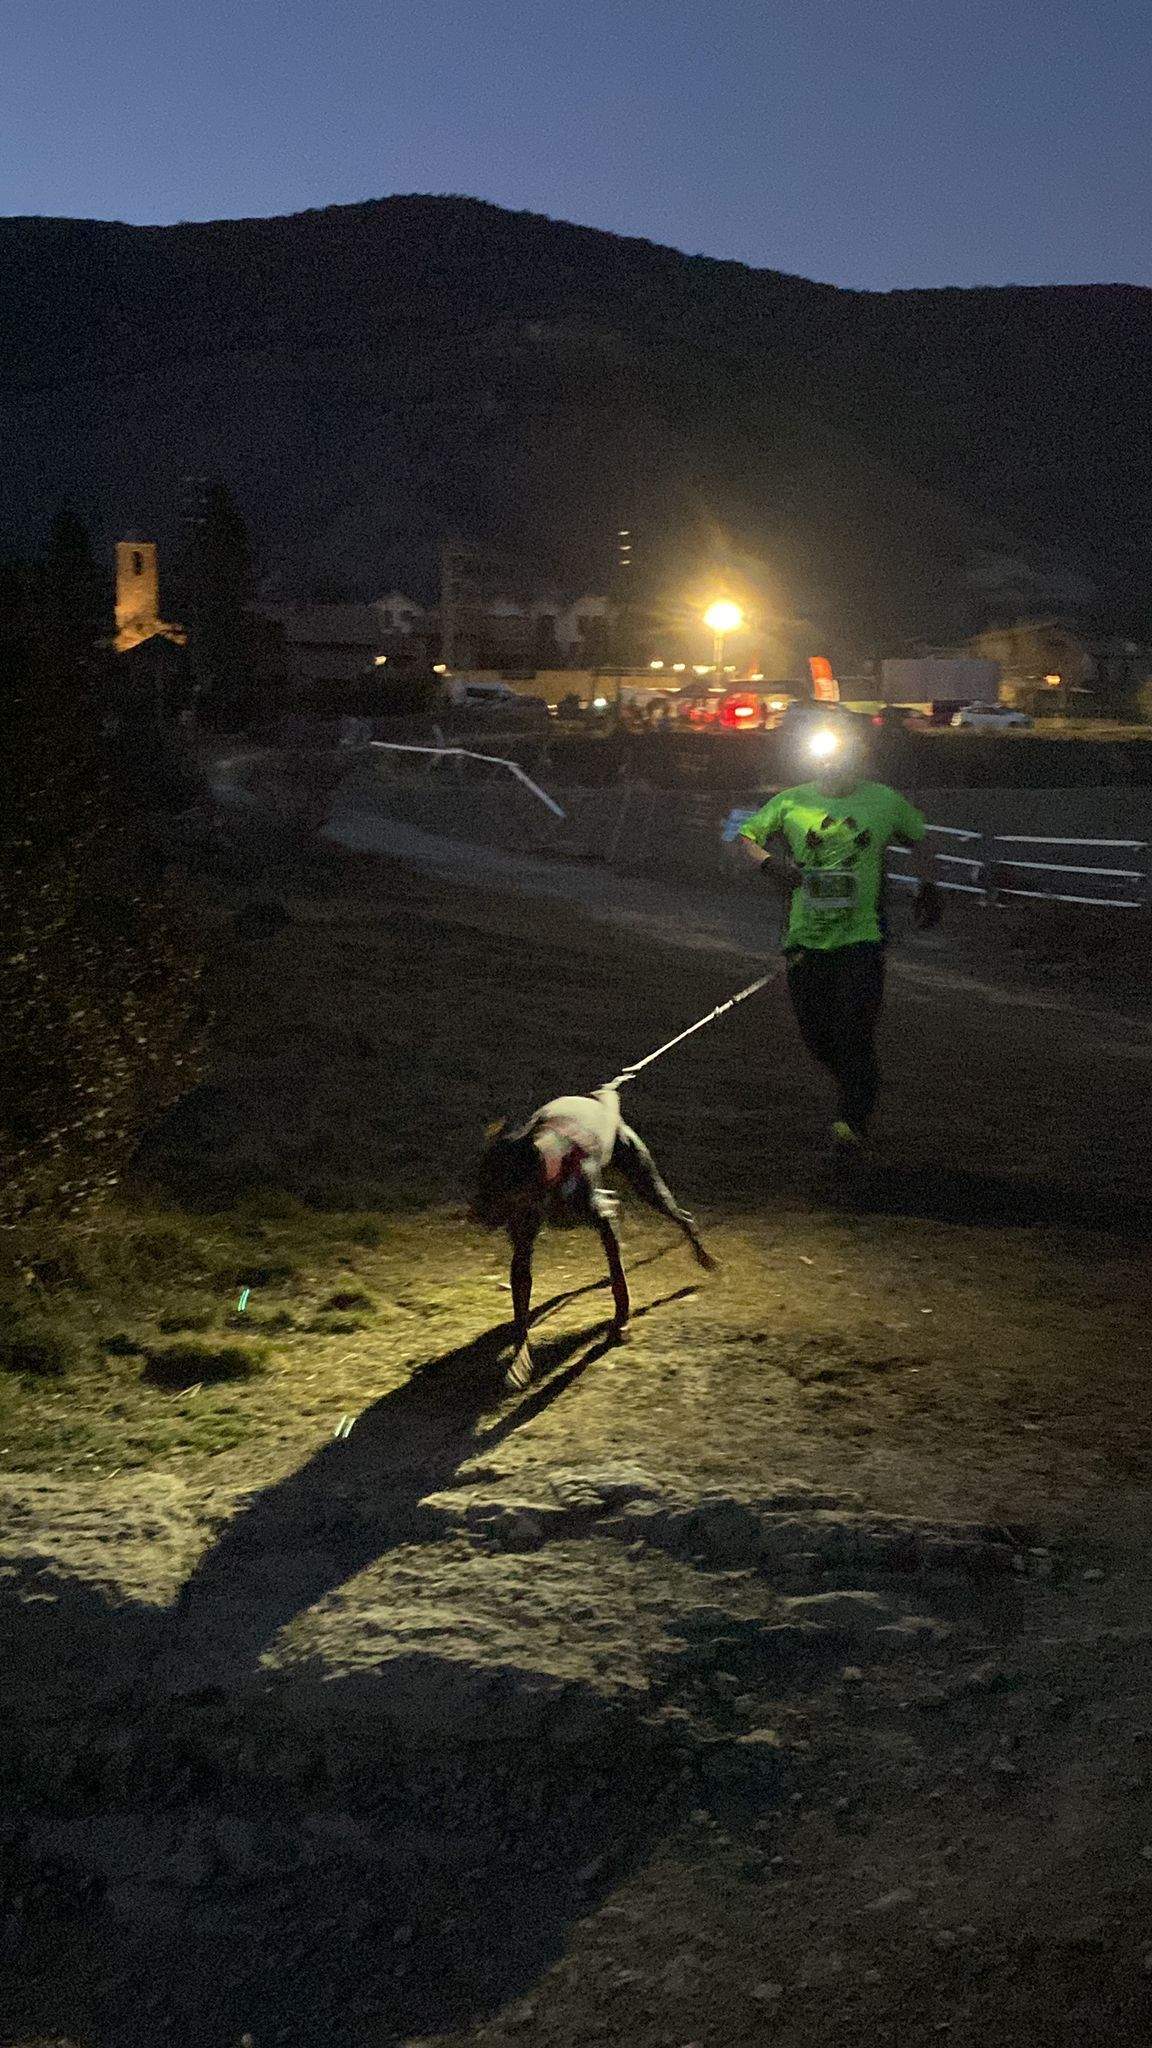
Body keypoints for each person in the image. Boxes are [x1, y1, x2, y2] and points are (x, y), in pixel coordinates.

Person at [738, 721, 941, 1151]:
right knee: (817, 1037)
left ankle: (853, 1115)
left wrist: (929, 886)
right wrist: (771, 865)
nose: (835, 767)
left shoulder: (884, 801)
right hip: (805, 941)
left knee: (853, 1028)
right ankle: (858, 1082)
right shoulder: (790, 802)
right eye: (827, 759)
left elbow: (921, 839)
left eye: (843, 759)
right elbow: (747, 836)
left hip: (861, 940)